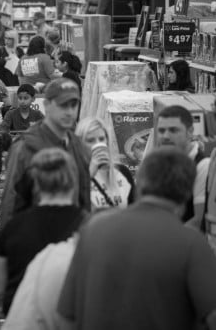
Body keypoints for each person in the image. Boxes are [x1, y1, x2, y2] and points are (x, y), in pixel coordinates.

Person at [58, 148, 216, 330]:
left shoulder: (92, 231)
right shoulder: (192, 244)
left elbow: (65, 318)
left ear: (139, 183)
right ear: (187, 193)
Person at [0, 148, 87, 315]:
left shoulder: (13, 227)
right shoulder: (89, 226)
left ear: (35, 182)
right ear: (74, 179)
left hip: (21, 316)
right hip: (71, 317)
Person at [0, 78, 91, 225]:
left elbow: (84, 197)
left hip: (71, 237)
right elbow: (10, 203)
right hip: (34, 238)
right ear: (47, 105)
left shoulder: (79, 146)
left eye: (73, 105)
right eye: (62, 105)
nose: (69, 112)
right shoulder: (24, 148)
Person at [155, 105, 209, 227]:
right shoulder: (159, 163)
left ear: (190, 132)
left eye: (173, 130)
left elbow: (198, 220)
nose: (166, 136)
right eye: (161, 130)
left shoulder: (202, 166)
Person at [75, 117, 135, 209]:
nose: (98, 144)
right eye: (91, 140)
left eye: (102, 139)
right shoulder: (74, 174)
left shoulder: (122, 171)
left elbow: (133, 208)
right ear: (80, 145)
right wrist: (89, 174)